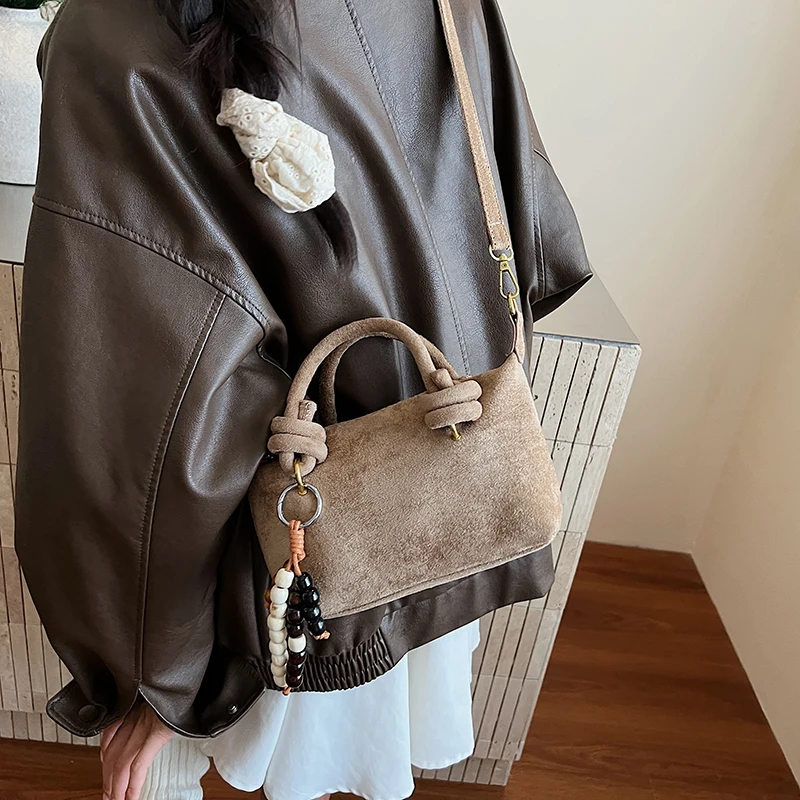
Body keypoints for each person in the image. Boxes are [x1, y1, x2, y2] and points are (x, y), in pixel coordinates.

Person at [14, 0, 591, 798]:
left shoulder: (114, 34)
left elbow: (138, 412)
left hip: (278, 566)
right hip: (446, 482)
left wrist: (148, 670)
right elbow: (521, 223)